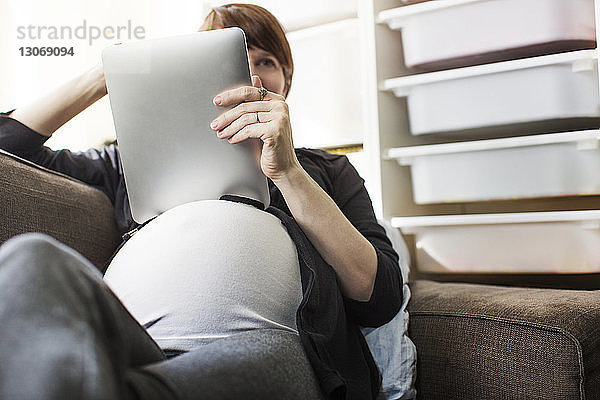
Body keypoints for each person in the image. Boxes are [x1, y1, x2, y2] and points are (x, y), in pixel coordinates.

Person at [0, 4, 403, 400]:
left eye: (266, 62)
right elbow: (9, 148)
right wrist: (107, 73)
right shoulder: (131, 159)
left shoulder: (325, 171)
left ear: (286, 83)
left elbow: (379, 297)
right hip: (135, 344)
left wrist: (289, 173)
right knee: (29, 260)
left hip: (267, 349)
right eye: (228, 59)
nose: (249, 74)